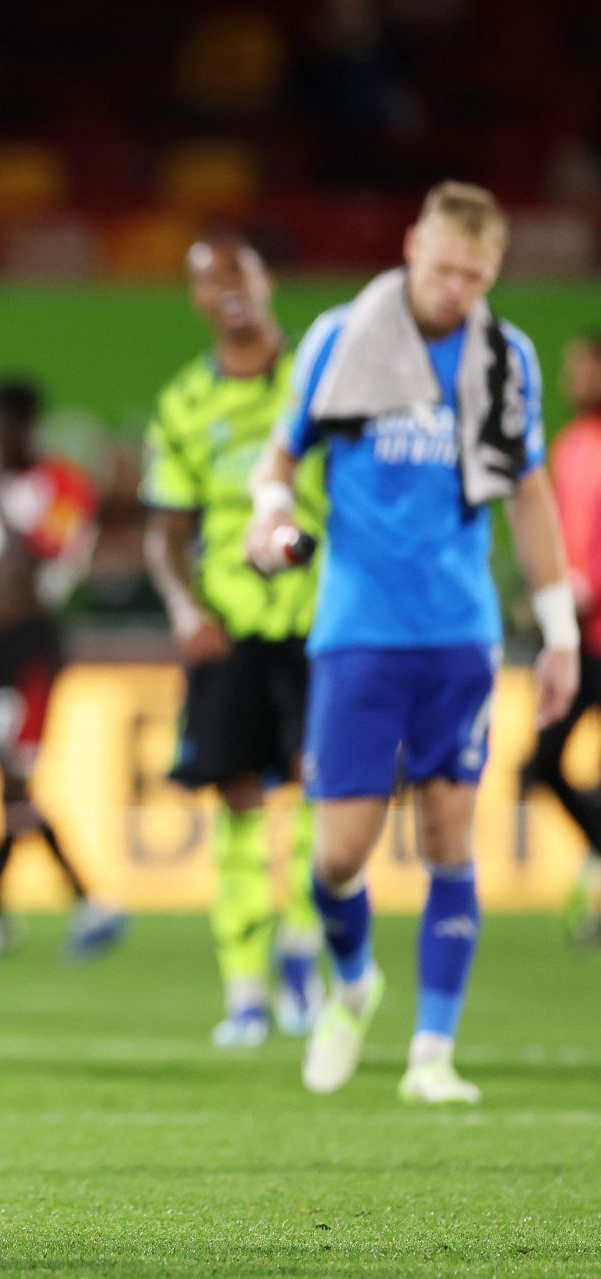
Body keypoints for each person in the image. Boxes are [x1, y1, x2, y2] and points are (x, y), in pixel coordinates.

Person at [247, 182, 577, 1104]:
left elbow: (529, 495)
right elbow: (279, 461)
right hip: (357, 631)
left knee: (446, 834)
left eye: (478, 275)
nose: (458, 289)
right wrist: (269, 522)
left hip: (459, 633)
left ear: (494, 272)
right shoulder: (339, 339)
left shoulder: (506, 360)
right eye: (446, 268)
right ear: (411, 250)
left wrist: (559, 635)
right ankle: (355, 982)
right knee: (338, 857)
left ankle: (433, 1051)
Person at [142, 233, 325, 1046]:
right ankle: (246, 988)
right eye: (209, 278)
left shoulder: (319, 386)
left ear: (268, 278)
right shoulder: (185, 401)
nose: (228, 289)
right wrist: (185, 609)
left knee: (326, 791)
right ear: (195, 299)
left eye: (240, 272)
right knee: (238, 797)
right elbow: (164, 531)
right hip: (230, 629)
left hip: (326, 624)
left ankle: (305, 956)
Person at [0, 377, 125, 971]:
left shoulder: (62, 487)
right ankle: (85, 904)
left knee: (14, 778)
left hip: (34, 649)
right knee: (8, 784)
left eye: (5, 425)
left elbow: (44, 568)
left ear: (27, 427)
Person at [522, 332, 601, 943]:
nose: (576, 379)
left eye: (586, 368)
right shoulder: (570, 447)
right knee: (544, 763)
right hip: (581, 643)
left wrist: (580, 589)